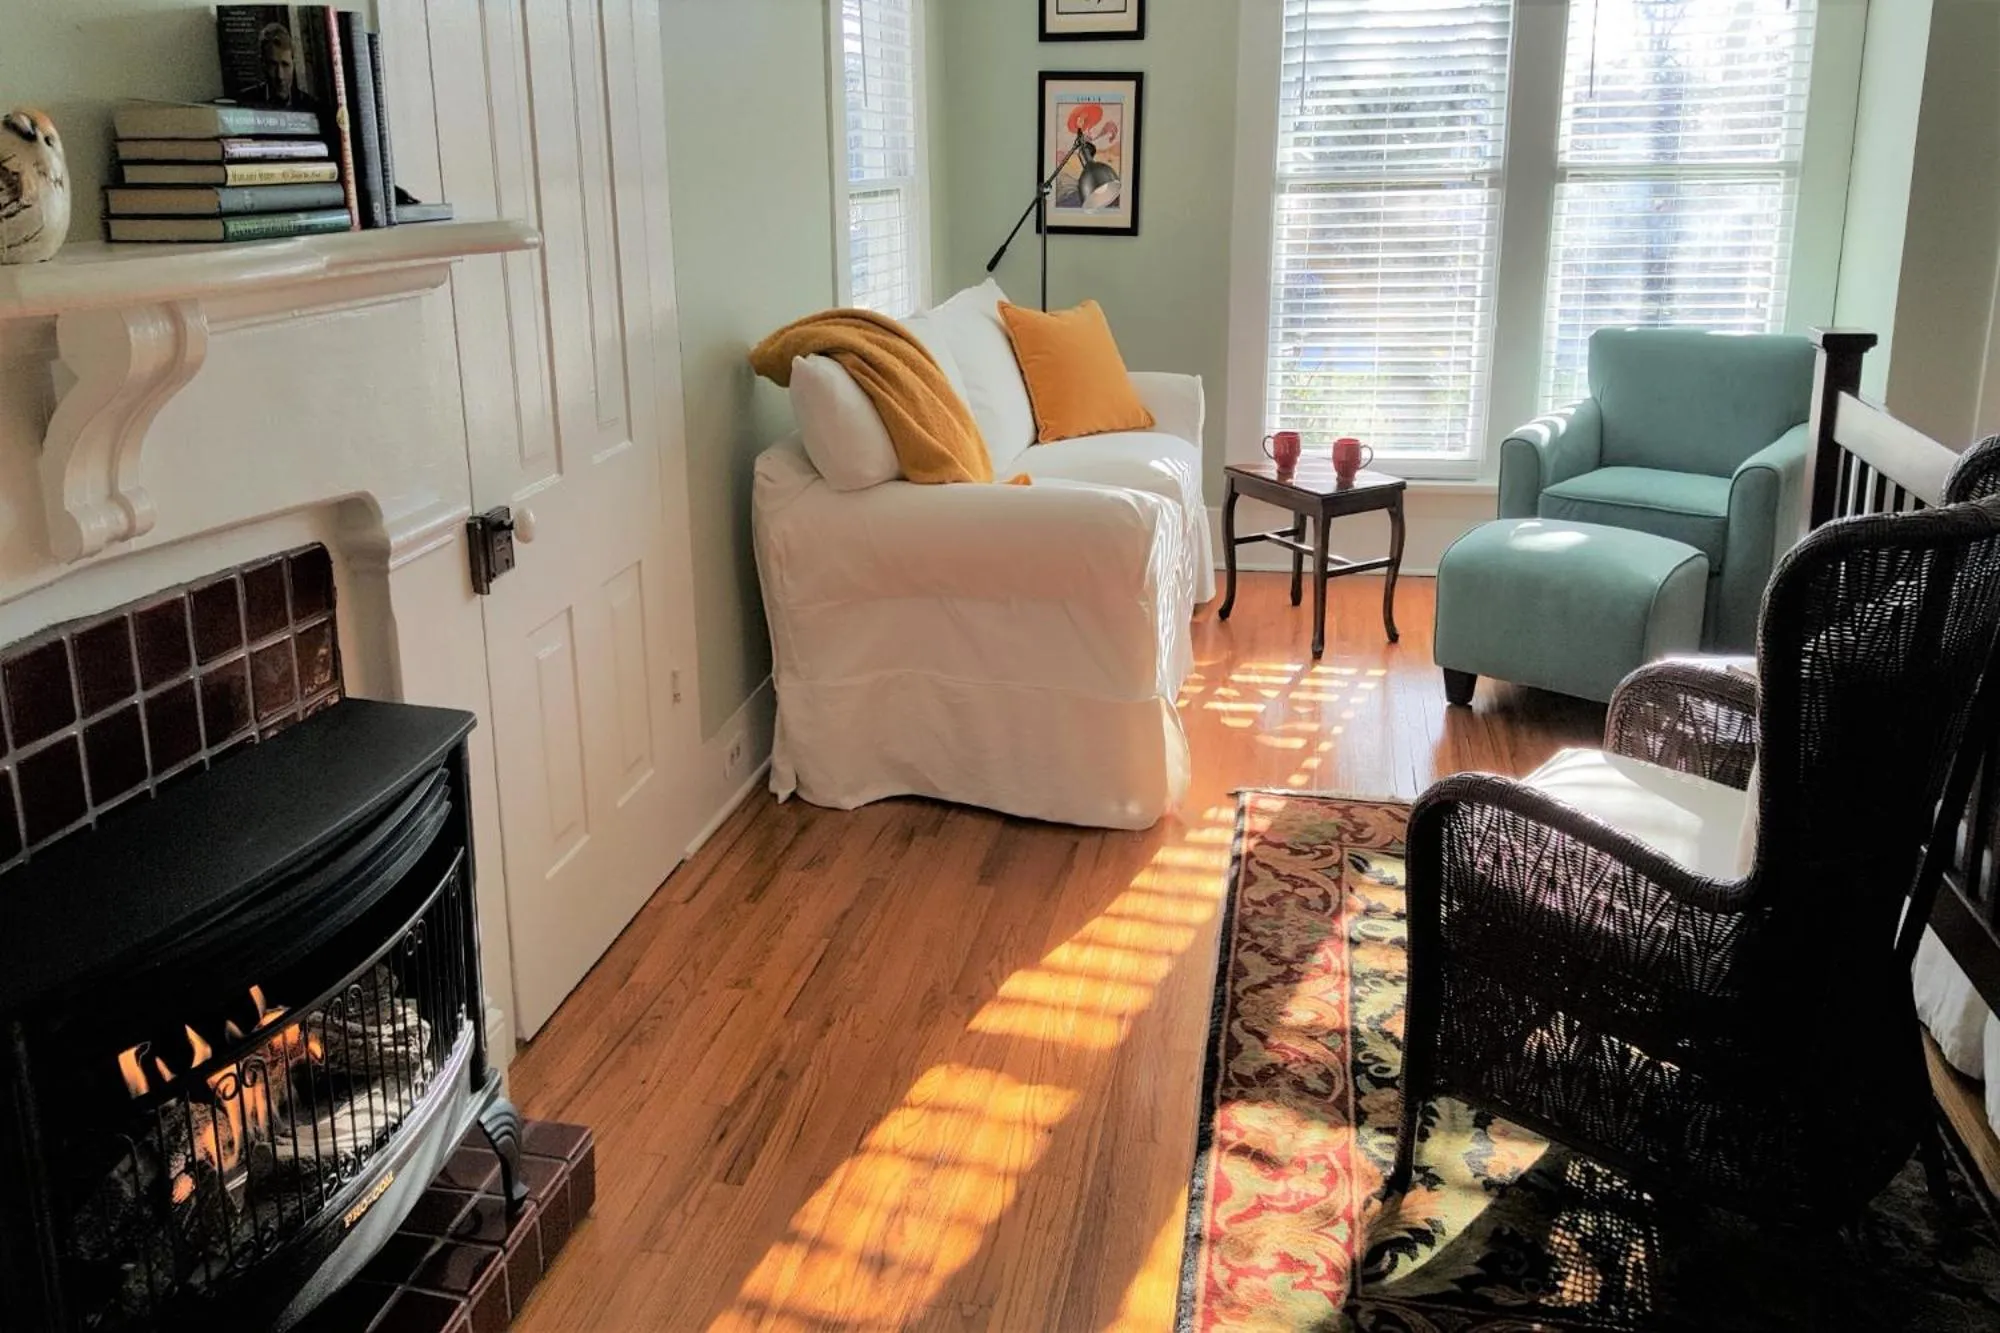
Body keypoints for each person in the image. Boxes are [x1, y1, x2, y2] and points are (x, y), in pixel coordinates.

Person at [236, 22, 317, 111]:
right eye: (273, 65)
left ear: (293, 64)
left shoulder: (310, 107)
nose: (280, 76)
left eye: (285, 65)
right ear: (263, 64)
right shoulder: (245, 103)